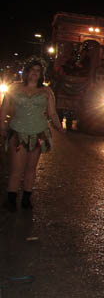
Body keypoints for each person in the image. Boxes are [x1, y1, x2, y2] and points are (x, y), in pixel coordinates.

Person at [0, 57, 63, 211]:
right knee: (16, 168)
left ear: (42, 74)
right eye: (32, 70)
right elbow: (4, 110)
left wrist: (60, 128)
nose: (34, 73)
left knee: (31, 168)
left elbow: (52, 113)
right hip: (18, 133)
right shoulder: (14, 88)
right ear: (26, 72)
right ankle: (11, 198)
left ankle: (27, 198)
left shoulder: (46, 91)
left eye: (38, 71)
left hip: (38, 133)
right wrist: (2, 127)